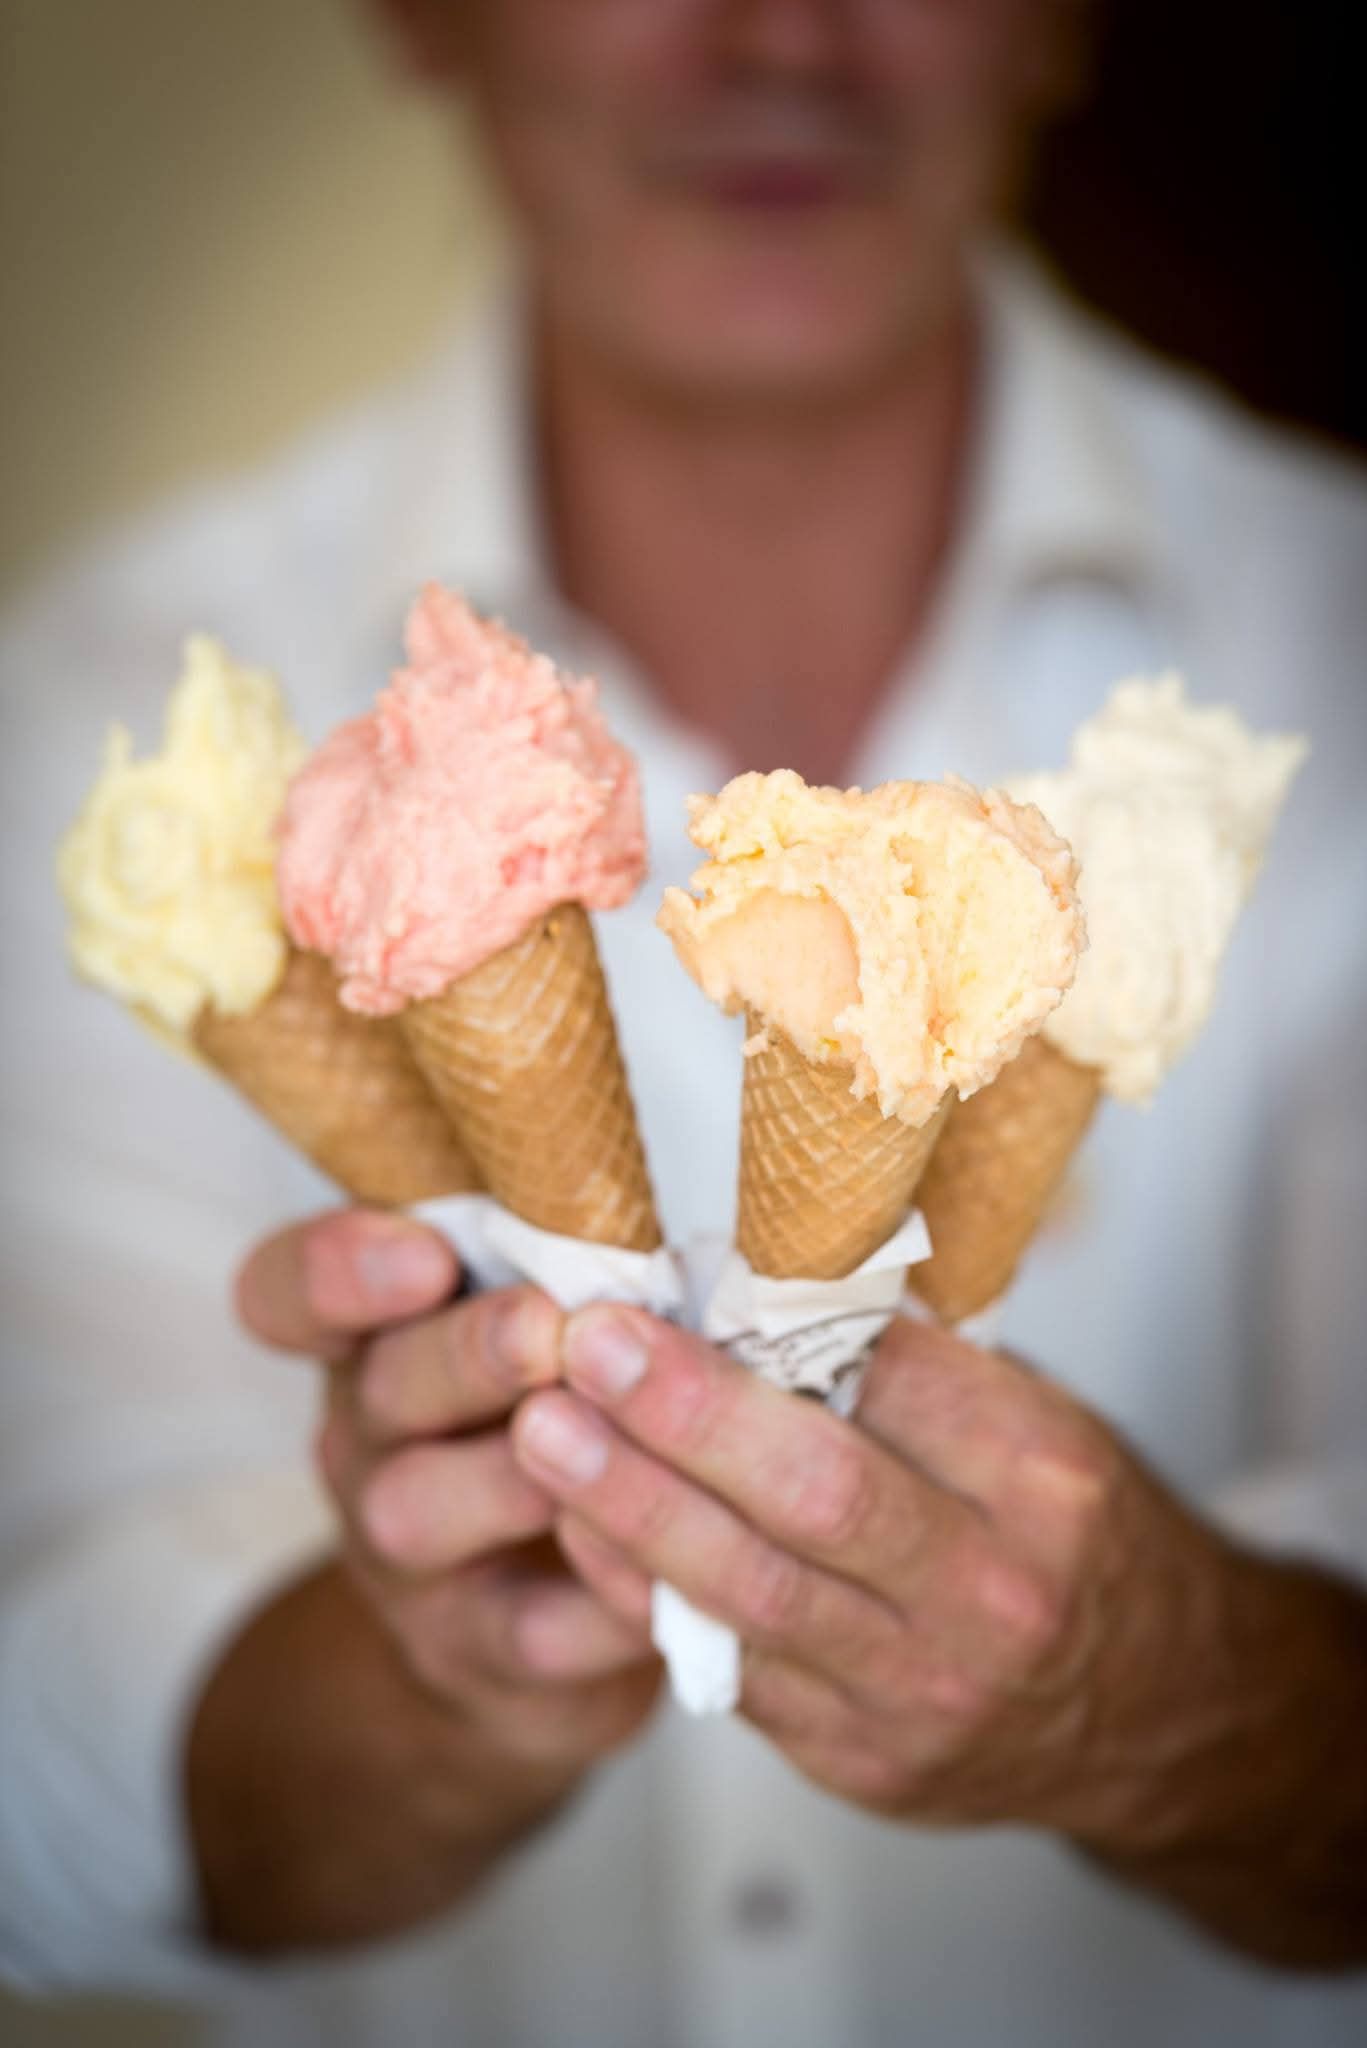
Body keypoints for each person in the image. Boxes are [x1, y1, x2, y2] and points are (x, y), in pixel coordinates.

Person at [3, 3, 1366, 2043]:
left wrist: (1164, 1695)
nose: (780, 37)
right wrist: (421, 1690)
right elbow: (41, 1777)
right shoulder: (91, 728)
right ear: (422, 17)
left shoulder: (1338, 646)